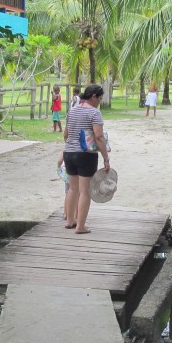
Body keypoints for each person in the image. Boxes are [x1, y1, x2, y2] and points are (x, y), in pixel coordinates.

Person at [62, 83, 110, 234]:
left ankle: (70, 220)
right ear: (93, 96)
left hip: (69, 153)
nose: (100, 102)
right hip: (86, 154)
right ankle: (80, 226)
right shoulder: (94, 113)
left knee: (72, 188)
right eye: (100, 98)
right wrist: (106, 158)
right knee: (85, 191)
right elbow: (99, 137)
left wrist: (71, 146)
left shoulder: (72, 111)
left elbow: (66, 134)